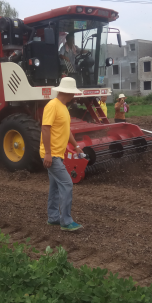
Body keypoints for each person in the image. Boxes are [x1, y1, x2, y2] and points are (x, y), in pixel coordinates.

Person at [41, 77, 84, 232]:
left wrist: (76, 146)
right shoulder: (52, 106)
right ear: (68, 92)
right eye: (73, 93)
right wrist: (47, 153)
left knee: (55, 187)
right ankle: (66, 221)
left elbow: (67, 131)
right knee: (67, 184)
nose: (74, 96)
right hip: (51, 154)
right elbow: (45, 128)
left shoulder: (63, 107)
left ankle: (53, 218)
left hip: (57, 154)